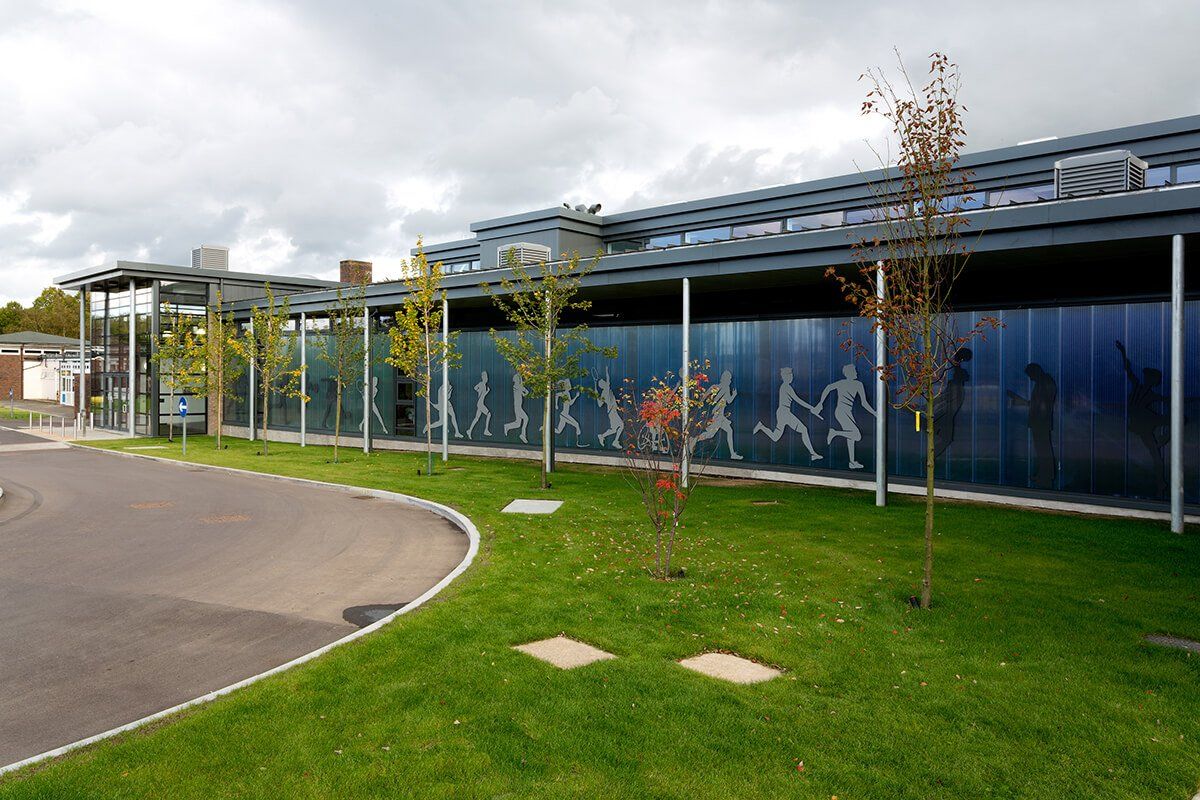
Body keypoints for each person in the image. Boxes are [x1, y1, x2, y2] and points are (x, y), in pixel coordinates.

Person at [1116, 340, 1169, 496]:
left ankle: (1161, 482)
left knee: (1179, 420)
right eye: (1147, 376)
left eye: (1150, 377)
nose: (1147, 378)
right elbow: (1128, 369)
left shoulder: (1150, 394)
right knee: (1155, 453)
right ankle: (1160, 482)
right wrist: (1122, 352)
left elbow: (1170, 400)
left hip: (1146, 421)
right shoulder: (1137, 386)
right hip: (1141, 423)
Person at [813, 364, 876, 469]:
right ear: (849, 373)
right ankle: (834, 432)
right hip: (842, 412)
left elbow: (864, 403)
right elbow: (828, 388)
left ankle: (852, 462)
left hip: (846, 412)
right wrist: (820, 403)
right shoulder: (854, 384)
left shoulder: (856, 384)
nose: (856, 373)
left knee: (850, 437)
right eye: (854, 371)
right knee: (857, 436)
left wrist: (820, 403)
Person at [752, 367, 822, 460]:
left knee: (775, 437)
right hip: (784, 413)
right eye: (789, 375)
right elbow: (798, 400)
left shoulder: (785, 387)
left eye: (791, 375)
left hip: (782, 412)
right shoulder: (786, 387)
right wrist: (812, 408)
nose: (791, 377)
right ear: (784, 377)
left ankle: (761, 426)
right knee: (804, 430)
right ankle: (813, 454)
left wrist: (811, 408)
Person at [1007, 362, 1056, 489]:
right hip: (1041, 422)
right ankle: (1045, 475)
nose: (1031, 379)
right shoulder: (1045, 382)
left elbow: (1039, 405)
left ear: (1035, 372)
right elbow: (1038, 403)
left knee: (1043, 449)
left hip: (1040, 422)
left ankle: (1045, 475)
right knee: (1043, 449)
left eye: (1031, 376)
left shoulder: (1044, 383)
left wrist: (1019, 401)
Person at [693, 369, 742, 459]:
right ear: (726, 379)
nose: (730, 381)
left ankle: (732, 454)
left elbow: (704, 397)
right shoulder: (725, 388)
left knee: (729, 431)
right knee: (710, 434)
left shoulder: (714, 387)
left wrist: (700, 404)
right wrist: (734, 395)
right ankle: (693, 440)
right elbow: (728, 401)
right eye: (729, 379)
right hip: (717, 416)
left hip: (718, 416)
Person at [933, 348, 971, 458]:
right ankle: (928, 460)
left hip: (947, 415)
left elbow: (942, 398)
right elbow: (943, 398)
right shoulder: (956, 386)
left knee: (946, 438)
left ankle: (929, 459)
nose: (968, 376)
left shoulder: (957, 386)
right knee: (946, 438)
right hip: (946, 416)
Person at [596, 370, 623, 449]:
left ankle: (602, 436)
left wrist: (597, 396)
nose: (605, 382)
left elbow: (600, 404)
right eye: (603, 382)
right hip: (612, 411)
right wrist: (607, 370)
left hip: (611, 412)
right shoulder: (606, 389)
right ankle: (615, 441)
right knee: (621, 425)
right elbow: (608, 380)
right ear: (603, 385)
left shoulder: (603, 393)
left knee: (614, 429)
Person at [503, 373, 530, 443]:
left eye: (518, 379)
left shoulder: (520, 386)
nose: (516, 380)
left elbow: (527, 392)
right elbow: (524, 391)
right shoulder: (516, 386)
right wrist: (523, 393)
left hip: (518, 406)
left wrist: (524, 394)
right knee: (526, 418)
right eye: (516, 379)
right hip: (517, 407)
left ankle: (507, 426)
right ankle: (523, 434)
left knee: (518, 424)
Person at [466, 371, 492, 437]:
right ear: (483, 377)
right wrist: (485, 392)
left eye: (487, 377)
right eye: (485, 377)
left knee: (476, 418)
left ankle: (469, 430)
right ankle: (486, 430)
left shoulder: (483, 385)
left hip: (480, 403)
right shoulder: (481, 384)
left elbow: (475, 388)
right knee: (489, 414)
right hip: (480, 403)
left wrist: (480, 391)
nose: (486, 378)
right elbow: (477, 390)